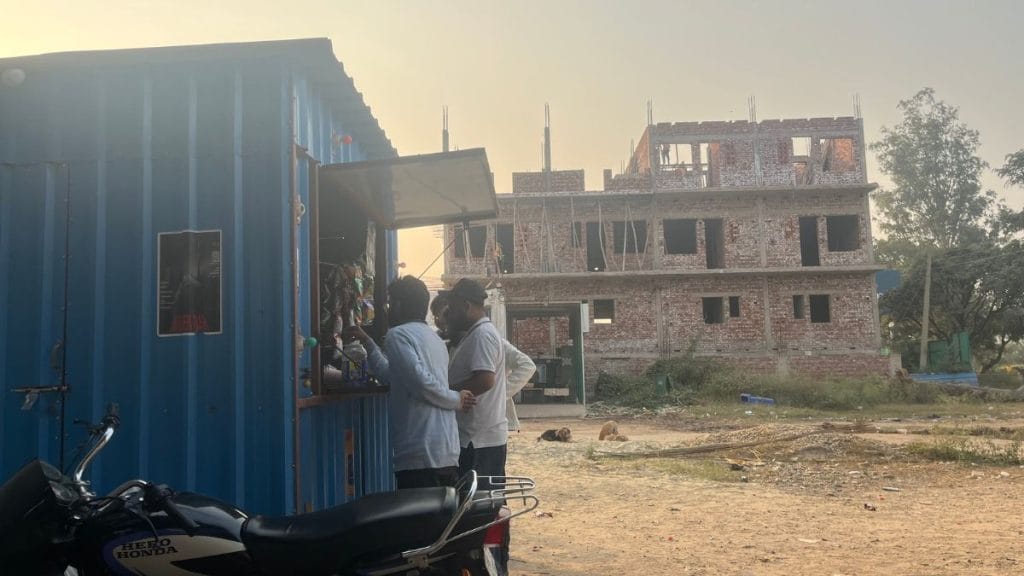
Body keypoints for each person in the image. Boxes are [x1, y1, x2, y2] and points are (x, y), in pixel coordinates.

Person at [344, 276, 475, 489]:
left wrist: (456, 399)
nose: (387, 310)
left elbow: (421, 384)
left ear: (399, 305)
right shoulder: (434, 339)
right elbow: (392, 376)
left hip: (421, 453)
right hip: (445, 451)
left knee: (418, 522)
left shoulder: (398, 335)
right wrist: (368, 343)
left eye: (389, 303)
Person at [431, 293, 535, 432]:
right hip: (458, 424)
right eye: (436, 317)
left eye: (446, 315)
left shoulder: (487, 338)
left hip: (487, 425)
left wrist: (499, 393)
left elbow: (527, 365)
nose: (441, 321)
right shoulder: (440, 342)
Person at [443, 279, 507, 484]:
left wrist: (447, 393)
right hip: (475, 438)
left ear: (466, 306)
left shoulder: (482, 335)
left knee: (479, 508)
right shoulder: (474, 334)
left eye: (452, 309)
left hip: (479, 441)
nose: (449, 316)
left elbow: (485, 380)